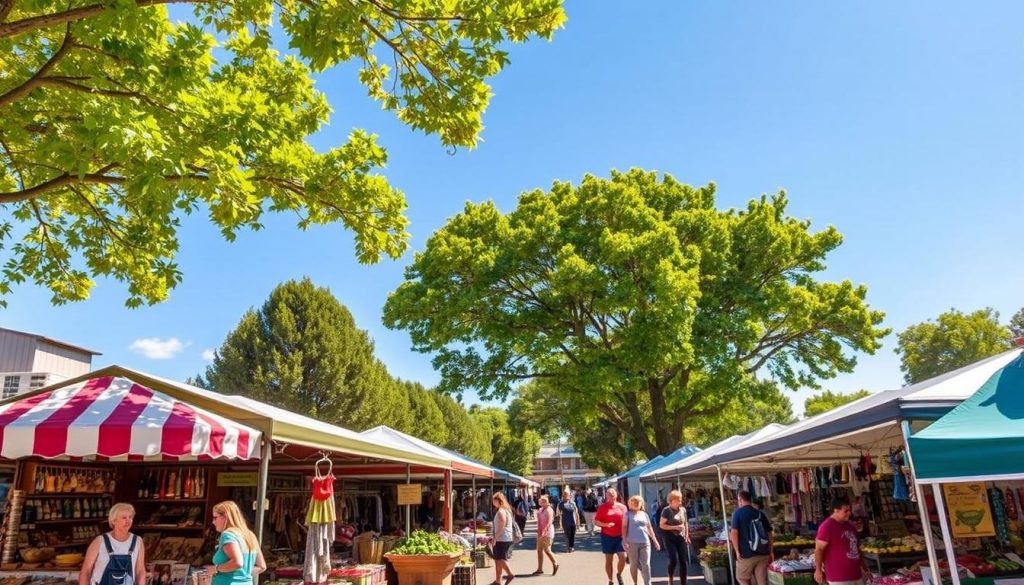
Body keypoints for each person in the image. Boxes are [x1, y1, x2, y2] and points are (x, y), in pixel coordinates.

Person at [80, 503, 146, 585]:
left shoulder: (137, 541)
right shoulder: (99, 541)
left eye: (130, 517)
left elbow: (140, 571)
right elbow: (86, 571)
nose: (128, 521)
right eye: (124, 518)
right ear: (114, 520)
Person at [205, 501, 267, 585]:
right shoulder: (250, 535)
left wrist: (215, 569)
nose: (213, 522)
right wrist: (241, 575)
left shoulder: (228, 535)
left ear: (225, 517)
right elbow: (262, 567)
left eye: (215, 517)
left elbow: (237, 562)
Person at [814, 495, 871, 585]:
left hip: (857, 575)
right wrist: (818, 570)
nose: (849, 513)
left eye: (849, 510)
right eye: (846, 511)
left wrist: (865, 569)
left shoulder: (851, 526)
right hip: (838, 577)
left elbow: (857, 549)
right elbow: (819, 550)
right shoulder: (826, 526)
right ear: (836, 510)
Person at [730, 490, 773, 585]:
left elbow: (734, 533)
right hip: (763, 553)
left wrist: (737, 551)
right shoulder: (760, 513)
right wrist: (771, 550)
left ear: (740, 500)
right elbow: (769, 533)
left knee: (742, 578)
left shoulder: (738, 513)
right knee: (762, 580)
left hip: (746, 554)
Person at [622, 495, 660, 585]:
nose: (636, 504)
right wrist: (624, 541)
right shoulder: (627, 514)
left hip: (645, 542)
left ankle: (647, 583)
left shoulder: (644, 514)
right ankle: (635, 583)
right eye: (634, 502)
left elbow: (649, 528)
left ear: (641, 504)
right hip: (632, 543)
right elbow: (624, 527)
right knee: (634, 565)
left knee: (646, 564)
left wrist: (655, 540)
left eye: (638, 502)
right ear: (630, 503)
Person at [594, 487, 628, 585]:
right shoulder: (602, 507)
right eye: (609, 493)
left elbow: (627, 521)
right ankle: (610, 580)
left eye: (613, 493)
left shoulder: (622, 507)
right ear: (607, 496)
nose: (612, 495)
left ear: (616, 495)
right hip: (607, 536)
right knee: (609, 559)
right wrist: (605, 525)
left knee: (623, 556)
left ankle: (619, 574)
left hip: (620, 536)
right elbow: (596, 521)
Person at [659, 490, 691, 585]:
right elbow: (661, 525)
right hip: (669, 537)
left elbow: (685, 523)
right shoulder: (666, 511)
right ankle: (670, 578)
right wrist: (675, 527)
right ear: (671, 500)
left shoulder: (683, 510)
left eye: (680, 500)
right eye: (678, 500)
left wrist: (687, 535)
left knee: (683, 561)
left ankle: (683, 582)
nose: (680, 502)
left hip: (681, 537)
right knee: (673, 559)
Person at [489, 493, 516, 585]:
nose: (493, 502)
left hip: (502, 538)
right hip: (504, 537)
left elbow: (502, 524)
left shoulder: (501, 511)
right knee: (497, 559)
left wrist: (495, 537)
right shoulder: (505, 510)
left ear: (498, 500)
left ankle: (510, 574)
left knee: (500, 558)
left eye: (494, 500)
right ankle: (498, 580)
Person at [533, 495, 559, 575]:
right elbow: (539, 522)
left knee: (547, 549)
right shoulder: (540, 510)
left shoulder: (549, 510)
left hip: (547, 532)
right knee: (539, 550)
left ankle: (555, 563)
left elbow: (549, 522)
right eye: (542, 500)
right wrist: (539, 530)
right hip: (541, 532)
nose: (543, 501)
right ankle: (540, 569)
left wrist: (544, 530)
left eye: (545, 500)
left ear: (548, 502)